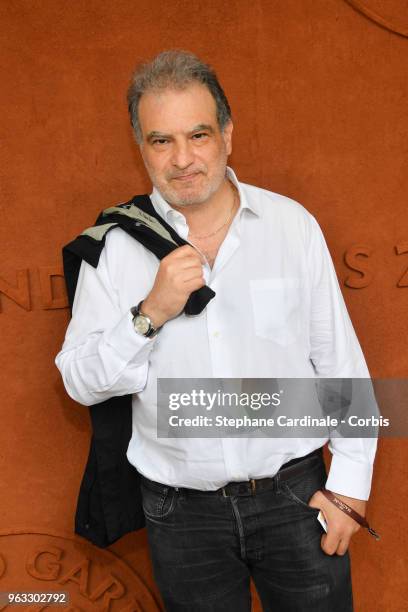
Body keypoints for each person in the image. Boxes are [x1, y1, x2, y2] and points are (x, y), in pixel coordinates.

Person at [55, 50, 377, 611]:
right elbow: (80, 382)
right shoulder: (114, 247)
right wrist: (148, 312)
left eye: (198, 135)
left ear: (227, 133)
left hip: (295, 497)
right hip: (180, 516)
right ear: (141, 147)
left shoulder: (291, 225)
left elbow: (339, 364)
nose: (182, 159)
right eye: (161, 141)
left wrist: (352, 481)